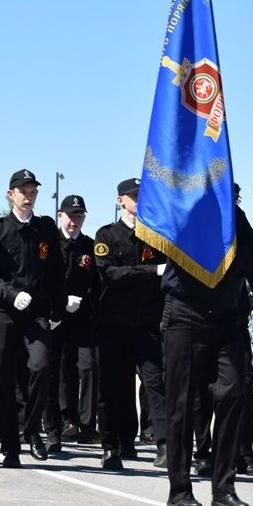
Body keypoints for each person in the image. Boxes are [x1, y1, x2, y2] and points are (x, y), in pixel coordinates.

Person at [160, 202, 253, 506]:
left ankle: (224, 488)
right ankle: (179, 489)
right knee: (181, 403)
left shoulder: (234, 216)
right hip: (185, 314)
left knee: (234, 393)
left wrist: (229, 252)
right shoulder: (181, 210)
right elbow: (179, 254)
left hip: (226, 318)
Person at [0, 168, 65, 468]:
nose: (28, 197)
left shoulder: (45, 229)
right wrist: (9, 294)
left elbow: (56, 271)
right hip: (5, 312)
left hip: (37, 312)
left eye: (33, 192)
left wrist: (57, 307)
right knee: (3, 379)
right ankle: (10, 447)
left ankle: (31, 428)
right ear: (10, 194)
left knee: (41, 366)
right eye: (23, 192)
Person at [93, 178, 168, 470]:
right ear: (120, 200)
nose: (139, 200)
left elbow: (167, 273)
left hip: (148, 322)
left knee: (155, 382)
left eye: (143, 195)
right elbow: (109, 273)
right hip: (114, 323)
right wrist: (150, 272)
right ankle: (113, 445)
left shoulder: (157, 235)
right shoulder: (107, 235)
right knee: (114, 386)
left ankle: (164, 444)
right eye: (134, 196)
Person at [44, 194, 101, 453]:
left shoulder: (89, 246)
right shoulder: (50, 244)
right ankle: (62, 421)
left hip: (83, 317)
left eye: (79, 216)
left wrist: (84, 300)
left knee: (88, 366)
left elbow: (98, 283)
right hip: (55, 316)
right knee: (57, 369)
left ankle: (88, 426)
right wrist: (59, 301)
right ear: (60, 215)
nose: (74, 221)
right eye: (71, 215)